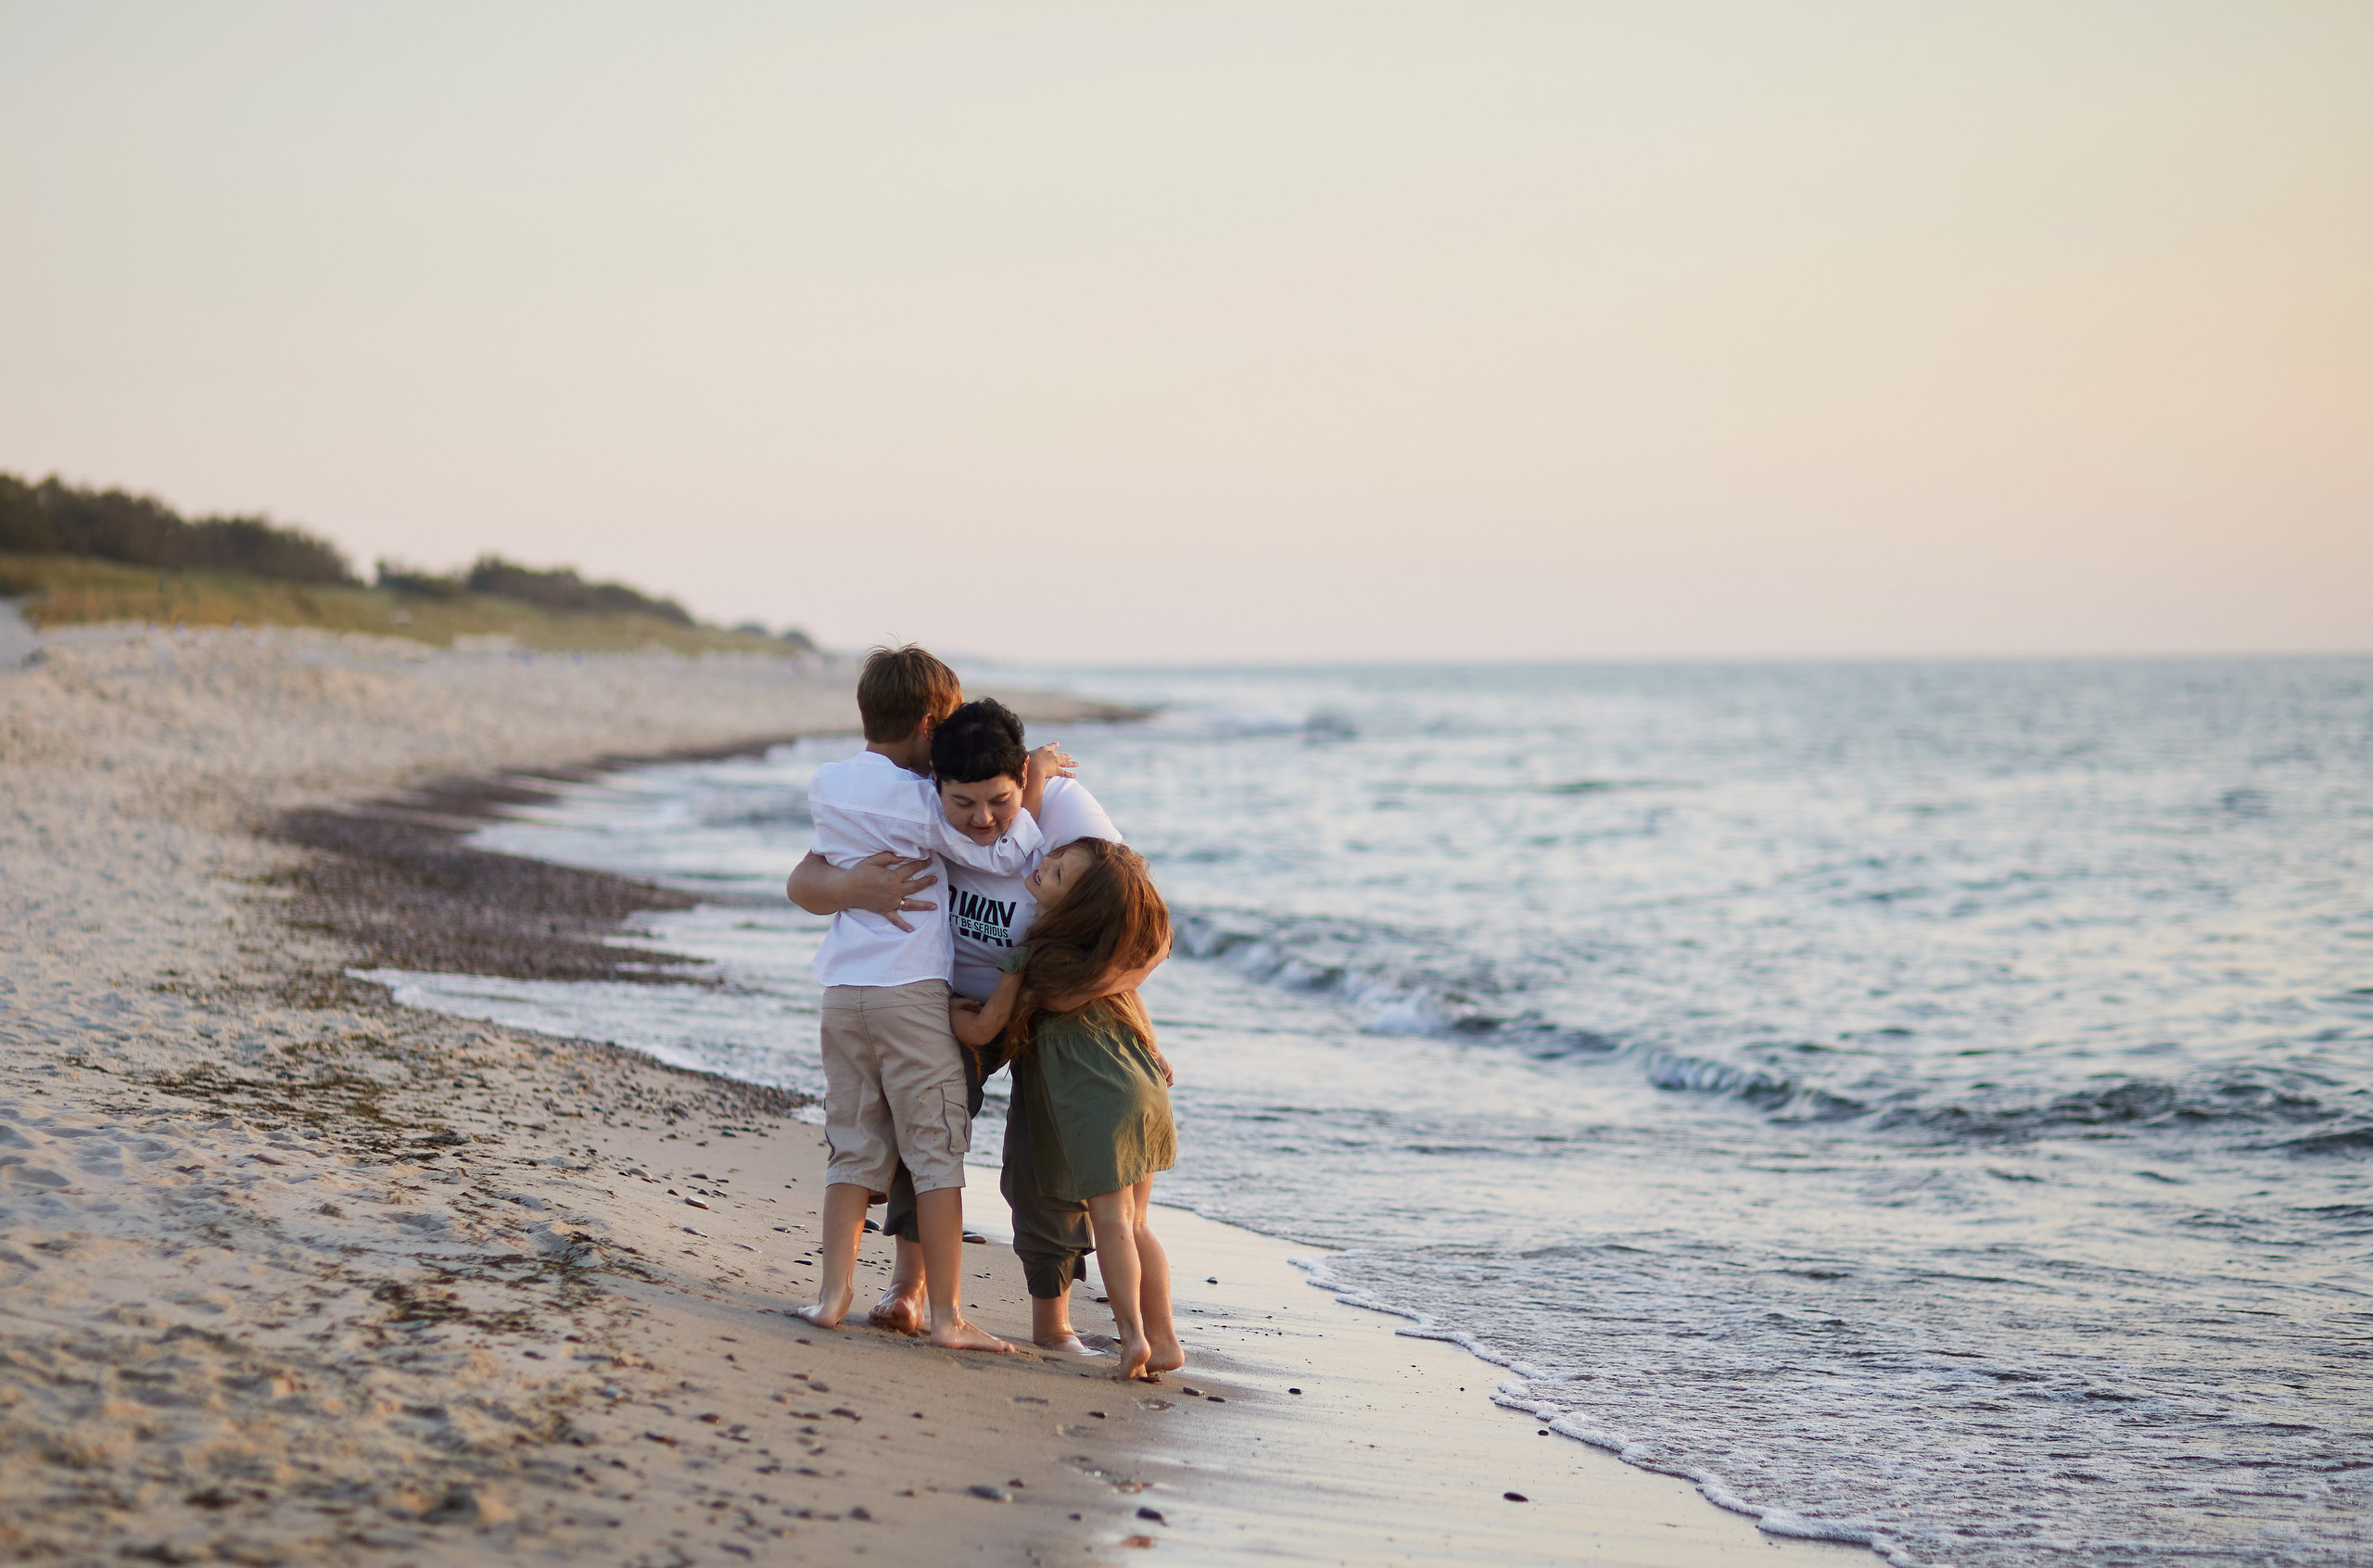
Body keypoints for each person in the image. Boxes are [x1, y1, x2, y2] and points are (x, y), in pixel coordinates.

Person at [788, 699, 1161, 1354]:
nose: (983, 820)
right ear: (939, 786)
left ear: (1023, 778)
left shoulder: (1066, 809)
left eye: (1001, 801)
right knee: (925, 1125)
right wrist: (857, 889)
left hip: (1051, 1007)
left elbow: (1146, 931)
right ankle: (907, 1288)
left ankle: (1054, 1320)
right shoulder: (919, 808)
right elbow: (805, 879)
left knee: (1040, 1163)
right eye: (966, 804)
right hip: (949, 1003)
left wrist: (1060, 996)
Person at [792, 646, 1057, 1352]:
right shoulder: (920, 803)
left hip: (841, 994)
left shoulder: (827, 783)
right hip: (909, 997)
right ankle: (947, 1316)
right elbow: (1001, 851)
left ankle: (829, 1297)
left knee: (852, 1145)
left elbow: (813, 870)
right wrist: (1030, 791)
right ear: (932, 724)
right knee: (936, 1153)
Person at [953, 838, 1180, 1381]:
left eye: (1056, 875)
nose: (1044, 866)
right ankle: (1166, 1339)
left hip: (1097, 1095)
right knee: (1138, 1222)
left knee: (1112, 1223)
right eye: (1054, 859)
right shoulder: (1105, 960)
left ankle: (1134, 1340)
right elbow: (1139, 1011)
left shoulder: (1034, 957)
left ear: (1074, 910)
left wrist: (941, 1010)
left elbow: (986, 1027)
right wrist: (1156, 1050)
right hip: (1144, 1088)